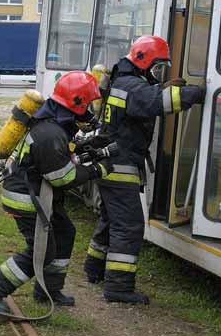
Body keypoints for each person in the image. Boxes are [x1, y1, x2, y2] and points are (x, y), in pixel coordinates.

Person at [83, 35, 206, 304]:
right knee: (129, 225)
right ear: (143, 61)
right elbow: (155, 102)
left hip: (109, 163)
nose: (159, 73)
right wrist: (197, 93)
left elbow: (147, 97)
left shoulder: (121, 81)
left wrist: (161, 86)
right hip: (120, 166)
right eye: (159, 67)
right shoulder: (132, 86)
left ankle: (93, 268)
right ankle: (118, 287)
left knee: (110, 218)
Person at [0, 71, 113, 313]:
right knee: (42, 250)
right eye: (89, 105)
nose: (91, 111)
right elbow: (62, 177)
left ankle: (48, 290)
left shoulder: (56, 124)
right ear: (76, 104)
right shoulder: (49, 133)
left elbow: (62, 155)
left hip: (42, 195)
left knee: (65, 233)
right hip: (26, 199)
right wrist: (96, 170)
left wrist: (86, 147)